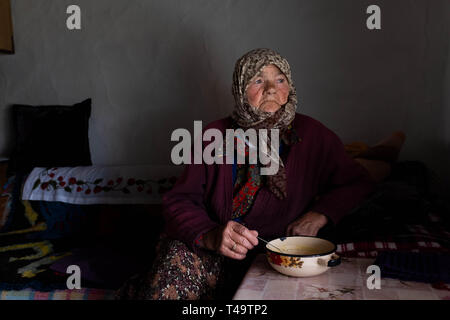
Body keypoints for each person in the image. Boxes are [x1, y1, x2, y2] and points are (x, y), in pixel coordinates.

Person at [115, 48, 394, 300]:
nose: (271, 89)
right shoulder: (214, 135)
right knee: (173, 266)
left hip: (275, 256)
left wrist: (320, 214)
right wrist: (211, 234)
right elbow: (179, 201)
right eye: (258, 80)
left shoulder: (312, 135)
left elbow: (357, 182)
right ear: (240, 89)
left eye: (280, 79)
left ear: (290, 88)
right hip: (214, 251)